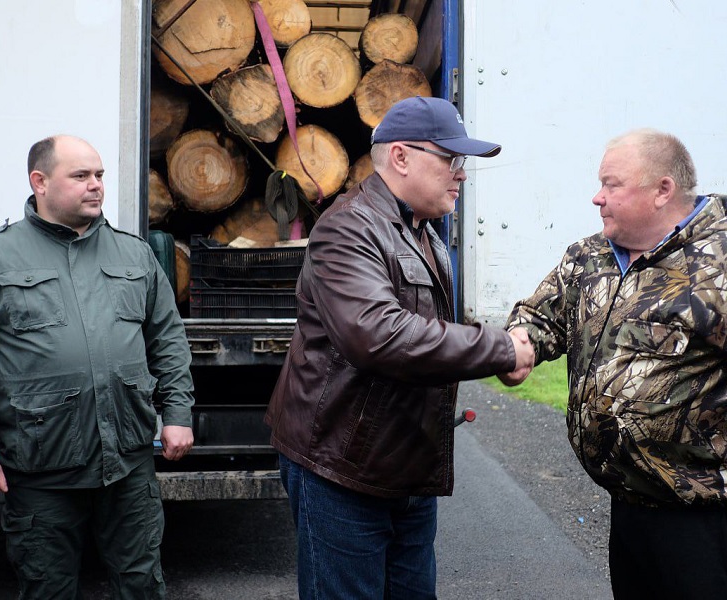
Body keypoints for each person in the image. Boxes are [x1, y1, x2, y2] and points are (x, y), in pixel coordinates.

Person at [265, 96, 535, 599]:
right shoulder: (348, 229)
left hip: (403, 469)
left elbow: (430, 337)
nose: (462, 174)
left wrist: (495, 349)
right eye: (451, 159)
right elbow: (379, 334)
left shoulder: (426, 236)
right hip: (341, 469)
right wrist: (499, 350)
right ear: (402, 157)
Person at [0, 135, 195, 599]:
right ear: (40, 182)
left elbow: (167, 341)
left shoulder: (133, 255)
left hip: (128, 465)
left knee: (142, 584)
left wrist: (176, 414)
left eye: (99, 175)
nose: (95, 186)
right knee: (47, 588)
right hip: (41, 470)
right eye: (81, 176)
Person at [500, 128, 727, 599]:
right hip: (627, 503)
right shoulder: (589, 257)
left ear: (663, 190)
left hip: (702, 518)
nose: (597, 198)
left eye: (612, 184)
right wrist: (517, 343)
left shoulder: (718, 266)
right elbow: (541, 316)